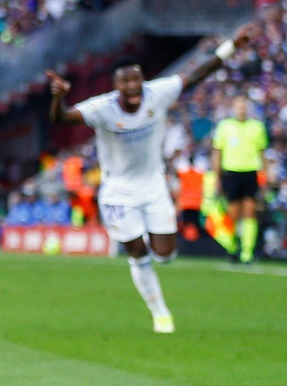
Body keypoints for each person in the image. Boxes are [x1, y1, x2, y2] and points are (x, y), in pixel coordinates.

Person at [46, 26, 254, 333]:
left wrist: (230, 47)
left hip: (154, 186)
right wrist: (58, 99)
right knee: (137, 252)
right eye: (125, 81)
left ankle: (159, 268)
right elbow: (61, 118)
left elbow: (197, 74)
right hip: (118, 192)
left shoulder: (158, 93)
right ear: (116, 85)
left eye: (136, 79)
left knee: (165, 255)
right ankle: (160, 314)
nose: (133, 86)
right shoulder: (102, 108)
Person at [211, 96, 269, 264]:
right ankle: (232, 247)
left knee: (250, 211)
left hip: (250, 172)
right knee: (233, 212)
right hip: (231, 172)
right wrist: (217, 176)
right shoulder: (225, 126)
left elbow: (262, 153)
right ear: (233, 108)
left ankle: (247, 252)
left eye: (244, 106)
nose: (242, 109)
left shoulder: (257, 127)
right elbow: (217, 153)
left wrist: (266, 174)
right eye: (239, 106)